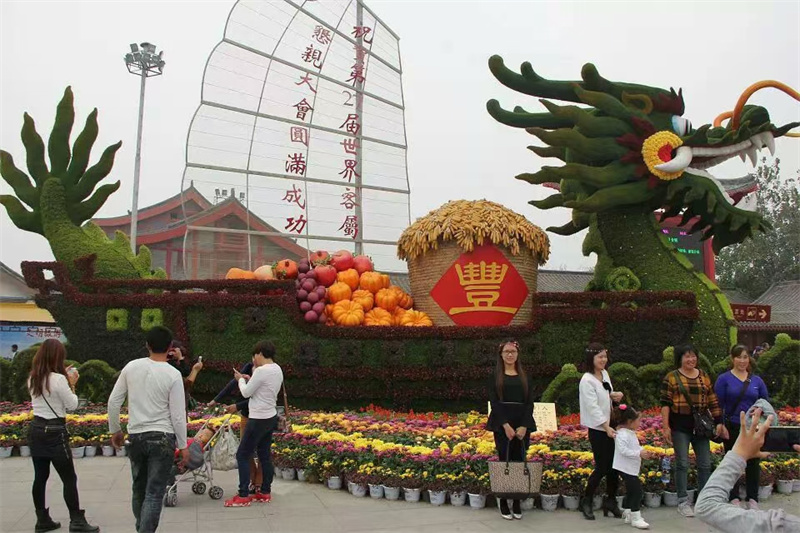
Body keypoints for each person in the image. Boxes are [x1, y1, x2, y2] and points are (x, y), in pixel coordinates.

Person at [108, 326, 189, 533]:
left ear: (147, 345)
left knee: (139, 489)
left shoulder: (131, 367)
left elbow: (114, 401)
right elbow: (178, 415)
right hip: (162, 437)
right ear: (170, 348)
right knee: (154, 493)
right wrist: (183, 445)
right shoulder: (173, 374)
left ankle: (140, 528)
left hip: (136, 436)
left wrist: (115, 430)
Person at [27, 339, 99, 533]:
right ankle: (76, 520)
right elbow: (72, 404)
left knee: (40, 477)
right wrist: (72, 383)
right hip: (55, 433)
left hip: (36, 429)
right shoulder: (59, 380)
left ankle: (42, 519)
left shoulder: (33, 377)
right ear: (58, 357)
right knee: (69, 478)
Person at [695, 408, 800, 532]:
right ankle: (737, 498)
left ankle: (750, 499)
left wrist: (738, 454)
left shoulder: (783, 527)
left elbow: (706, 507)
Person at [660, 344, 728, 518]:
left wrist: (719, 421)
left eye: (693, 356)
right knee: (682, 463)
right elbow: (665, 404)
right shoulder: (672, 377)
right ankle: (683, 500)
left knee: (705, 464)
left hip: (701, 427)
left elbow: (713, 400)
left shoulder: (703, 376)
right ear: (680, 359)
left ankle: (703, 500)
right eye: (686, 356)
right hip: (680, 426)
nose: (691, 359)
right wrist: (666, 427)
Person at [224, 340, 283, 507]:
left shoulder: (262, 371)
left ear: (260, 354)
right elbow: (264, 388)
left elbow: (246, 392)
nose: (254, 359)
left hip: (257, 419)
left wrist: (240, 379)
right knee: (264, 455)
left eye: (255, 355)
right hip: (270, 417)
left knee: (242, 454)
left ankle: (243, 495)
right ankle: (265, 491)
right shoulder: (277, 369)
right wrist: (250, 378)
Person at [714, 345, 769, 509]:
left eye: (745, 357)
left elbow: (765, 402)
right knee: (733, 462)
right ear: (732, 358)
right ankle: (733, 496)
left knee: (753, 462)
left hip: (752, 428)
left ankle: (753, 498)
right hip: (732, 426)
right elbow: (717, 404)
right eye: (739, 357)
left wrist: (760, 414)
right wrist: (720, 423)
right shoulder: (723, 379)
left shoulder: (756, 380)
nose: (742, 361)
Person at [486, 340, 537, 520]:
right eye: (506, 352)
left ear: (517, 354)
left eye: (513, 351)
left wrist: (523, 425)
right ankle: (504, 501)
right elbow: (494, 403)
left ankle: (516, 501)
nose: (510, 355)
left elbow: (530, 402)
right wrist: (505, 425)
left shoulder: (525, 376)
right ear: (501, 355)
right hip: (503, 424)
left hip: (522, 422)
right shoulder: (495, 376)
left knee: (519, 460)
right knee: (504, 461)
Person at [579, 342, 623, 520]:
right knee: (603, 466)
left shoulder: (604, 374)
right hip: (599, 429)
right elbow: (593, 407)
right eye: (600, 357)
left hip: (611, 425)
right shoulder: (587, 380)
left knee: (615, 467)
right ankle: (587, 500)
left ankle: (611, 500)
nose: (603, 360)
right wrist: (606, 428)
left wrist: (614, 396)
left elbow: (606, 395)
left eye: (605, 356)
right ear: (592, 359)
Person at [208, 357, 262, 492]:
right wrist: (216, 399)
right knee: (245, 451)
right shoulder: (249, 367)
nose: (255, 359)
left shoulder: (265, 373)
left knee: (262, 452)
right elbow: (234, 383)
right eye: (254, 355)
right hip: (246, 415)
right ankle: (252, 480)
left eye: (258, 355)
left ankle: (260, 483)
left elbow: (259, 398)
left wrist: (237, 405)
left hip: (262, 417)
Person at [613, 405, 653, 530]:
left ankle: (628, 511)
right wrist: (639, 453)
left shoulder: (629, 433)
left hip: (630, 467)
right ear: (630, 422)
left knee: (631, 491)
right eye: (638, 421)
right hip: (625, 468)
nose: (639, 423)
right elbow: (623, 450)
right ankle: (636, 517)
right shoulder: (622, 434)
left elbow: (634, 448)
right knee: (637, 491)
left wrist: (642, 451)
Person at [167, 341, 203, 413]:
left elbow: (186, 372)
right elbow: (185, 381)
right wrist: (195, 370)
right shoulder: (169, 364)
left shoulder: (175, 363)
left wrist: (181, 359)